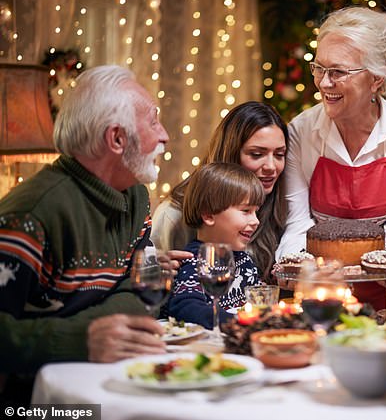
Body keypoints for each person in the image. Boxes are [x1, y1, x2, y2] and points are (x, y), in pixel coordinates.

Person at [0, 65, 191, 404]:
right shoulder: (31, 214)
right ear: (117, 139)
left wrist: (108, 321)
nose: (164, 135)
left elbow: (144, 284)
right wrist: (83, 337)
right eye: (153, 122)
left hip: (106, 381)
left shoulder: (135, 196)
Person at [276, 6, 386, 309]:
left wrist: (379, 271)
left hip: (385, 295)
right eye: (319, 68)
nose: (323, 83)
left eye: (338, 72)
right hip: (316, 292)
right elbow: (298, 223)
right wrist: (297, 271)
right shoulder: (301, 131)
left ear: (376, 80)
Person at [151, 101, 287, 282]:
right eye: (256, 154)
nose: (271, 166)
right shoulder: (174, 214)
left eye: (279, 155)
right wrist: (156, 270)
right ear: (230, 153)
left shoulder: (276, 205)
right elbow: (149, 279)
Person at [168, 163, 265, 328]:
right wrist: (239, 323)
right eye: (246, 211)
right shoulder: (195, 261)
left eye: (256, 211)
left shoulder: (245, 260)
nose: (256, 221)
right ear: (208, 215)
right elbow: (185, 308)